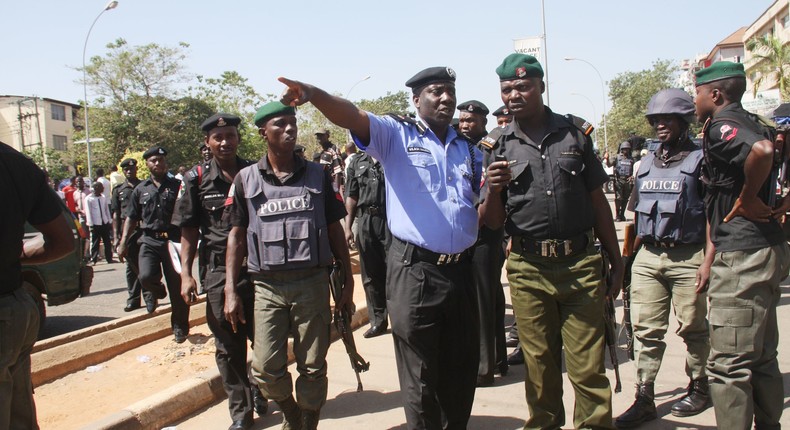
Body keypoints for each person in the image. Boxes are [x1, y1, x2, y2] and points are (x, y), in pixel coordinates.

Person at [278, 65, 484, 429]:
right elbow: (353, 116)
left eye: (450, 91)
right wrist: (313, 93)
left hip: (463, 271)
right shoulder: (396, 134)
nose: (446, 98)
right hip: (416, 272)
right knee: (420, 376)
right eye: (436, 91)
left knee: (460, 369)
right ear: (416, 99)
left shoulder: (470, 150)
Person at [482, 53, 623, 429]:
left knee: (588, 367)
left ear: (541, 86)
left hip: (580, 266)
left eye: (523, 86)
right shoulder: (495, 146)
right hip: (528, 269)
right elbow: (492, 222)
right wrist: (494, 190)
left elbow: (599, 203)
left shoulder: (575, 134)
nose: (514, 94)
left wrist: (617, 259)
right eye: (507, 88)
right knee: (539, 367)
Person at [224, 101, 354, 430]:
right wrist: (230, 289)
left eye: (292, 123)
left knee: (313, 364)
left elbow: (335, 227)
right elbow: (236, 237)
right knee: (266, 367)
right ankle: (292, 412)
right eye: (280, 125)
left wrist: (348, 282)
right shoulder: (245, 179)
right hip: (267, 286)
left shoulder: (318, 173)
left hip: (311, 281)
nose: (289, 129)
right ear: (262, 133)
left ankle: (308, 419)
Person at [694, 61, 790, 430]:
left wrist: (749, 197)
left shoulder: (722, 126)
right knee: (762, 357)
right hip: (767, 248)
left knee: (729, 365)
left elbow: (764, 152)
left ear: (715, 94)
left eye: (698, 92)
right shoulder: (757, 120)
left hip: (743, 254)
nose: (695, 98)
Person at [615, 88, 712, 428]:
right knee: (644, 330)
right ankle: (644, 397)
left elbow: (713, 216)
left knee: (693, 327)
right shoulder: (644, 164)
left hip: (690, 256)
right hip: (649, 257)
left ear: (684, 120)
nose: (660, 126)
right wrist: (628, 260)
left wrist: (709, 260)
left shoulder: (701, 160)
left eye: (667, 119)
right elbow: (637, 217)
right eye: (655, 120)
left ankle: (700, 385)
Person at [174, 113, 267, 430]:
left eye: (230, 135)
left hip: (257, 268)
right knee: (228, 346)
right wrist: (186, 274)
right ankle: (241, 412)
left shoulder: (255, 172)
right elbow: (188, 231)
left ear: (238, 138)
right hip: (216, 271)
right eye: (218, 137)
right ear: (208, 142)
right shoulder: (196, 179)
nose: (225, 142)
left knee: (264, 339)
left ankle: (259, 384)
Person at [1, 142, 75, 430]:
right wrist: (12, 255)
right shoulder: (15, 162)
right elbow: (63, 242)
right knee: (20, 415)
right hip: (16, 309)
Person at [457, 99, 509, 386]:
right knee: (490, 299)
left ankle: (483, 369)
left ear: (482, 122)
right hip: (471, 234)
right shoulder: (460, 147)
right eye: (463, 120)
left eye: (471, 120)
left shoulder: (488, 150)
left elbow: (486, 193)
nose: (465, 124)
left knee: (483, 301)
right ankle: (499, 359)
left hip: (483, 234)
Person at [118, 146, 189, 343]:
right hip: (149, 239)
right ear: (147, 164)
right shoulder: (140, 189)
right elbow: (131, 218)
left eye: (160, 159)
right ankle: (157, 291)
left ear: (166, 162)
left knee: (178, 288)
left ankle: (180, 327)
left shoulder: (177, 185)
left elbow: (187, 211)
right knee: (145, 276)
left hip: (173, 241)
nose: (157, 163)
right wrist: (123, 242)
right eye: (153, 160)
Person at [344, 149, 389, 338]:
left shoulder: (391, 156)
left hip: (390, 220)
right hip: (365, 222)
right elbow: (351, 196)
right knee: (370, 275)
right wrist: (348, 227)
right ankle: (378, 321)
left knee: (396, 271)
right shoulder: (356, 162)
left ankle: (403, 319)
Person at [112, 158, 154, 312]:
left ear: (136, 169)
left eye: (132, 169)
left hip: (143, 229)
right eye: (126, 169)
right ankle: (134, 299)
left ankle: (150, 297)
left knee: (145, 266)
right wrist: (116, 237)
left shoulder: (144, 186)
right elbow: (116, 214)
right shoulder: (118, 190)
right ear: (123, 171)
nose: (129, 171)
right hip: (127, 232)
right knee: (131, 267)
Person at [84, 182, 115, 265]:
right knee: (95, 242)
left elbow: (106, 210)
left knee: (107, 241)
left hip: (104, 222)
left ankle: (109, 258)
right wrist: (90, 224)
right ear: (96, 187)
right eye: (102, 187)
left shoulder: (103, 197)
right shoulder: (89, 198)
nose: (103, 189)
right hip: (95, 223)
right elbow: (88, 212)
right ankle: (94, 259)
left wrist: (109, 220)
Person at [604, 141, 635, 221]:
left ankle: (622, 214)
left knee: (625, 198)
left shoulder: (631, 159)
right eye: (624, 149)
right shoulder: (617, 157)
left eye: (627, 149)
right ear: (621, 149)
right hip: (618, 180)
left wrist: (632, 176)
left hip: (628, 181)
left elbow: (634, 170)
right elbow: (609, 165)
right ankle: (617, 215)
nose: (626, 151)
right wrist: (607, 159)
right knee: (618, 198)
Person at [315, 128, 345, 198]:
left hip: (332, 186)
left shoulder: (333, 149)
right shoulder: (323, 152)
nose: (319, 138)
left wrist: (336, 192)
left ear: (327, 136)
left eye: (321, 135)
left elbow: (338, 172)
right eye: (318, 136)